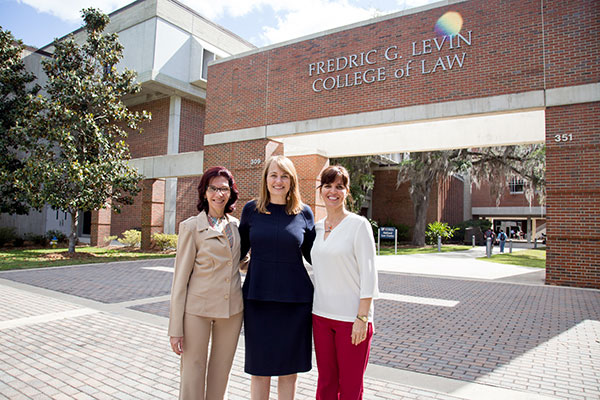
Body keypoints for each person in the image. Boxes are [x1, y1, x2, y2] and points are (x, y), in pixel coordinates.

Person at [239, 155, 316, 400]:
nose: (278, 181)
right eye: (273, 175)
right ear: (266, 178)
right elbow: (236, 254)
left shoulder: (304, 213)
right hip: (258, 299)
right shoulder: (251, 210)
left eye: (284, 176)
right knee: (259, 368)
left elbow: (316, 256)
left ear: (292, 181)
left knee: (288, 369)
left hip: (295, 302)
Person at [168, 166, 244, 400]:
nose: (218, 194)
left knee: (221, 374)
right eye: (213, 188)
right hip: (197, 311)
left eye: (224, 189)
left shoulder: (237, 226)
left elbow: (243, 262)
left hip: (231, 311)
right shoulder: (191, 227)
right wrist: (175, 329)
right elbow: (180, 281)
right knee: (193, 371)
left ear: (230, 193)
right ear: (204, 192)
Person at [310, 165, 379, 399]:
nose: (333, 191)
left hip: (351, 320)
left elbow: (369, 274)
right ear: (320, 190)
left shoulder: (359, 225)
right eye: (328, 186)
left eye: (339, 186)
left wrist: (362, 318)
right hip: (320, 316)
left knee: (350, 387)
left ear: (347, 192)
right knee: (326, 383)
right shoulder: (316, 228)